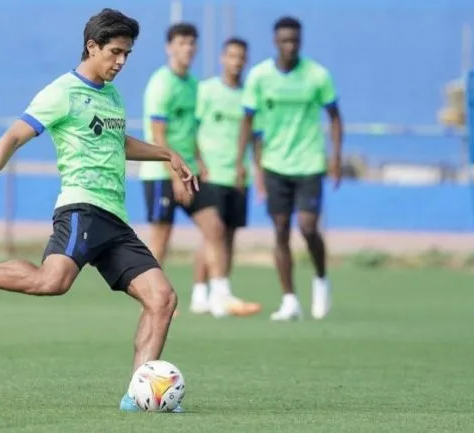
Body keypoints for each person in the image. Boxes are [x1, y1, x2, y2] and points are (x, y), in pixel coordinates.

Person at [0, 8, 196, 412]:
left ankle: (137, 395)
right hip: (81, 207)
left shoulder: (112, 95)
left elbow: (118, 143)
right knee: (53, 282)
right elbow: (13, 137)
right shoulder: (61, 92)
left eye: (127, 54)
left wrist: (166, 153)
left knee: (162, 298)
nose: (121, 61)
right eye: (115, 52)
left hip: (114, 218)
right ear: (92, 46)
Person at [138, 23, 253, 318]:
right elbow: (158, 134)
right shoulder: (161, 83)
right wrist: (173, 172)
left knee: (215, 227)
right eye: (181, 43)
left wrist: (198, 160)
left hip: (188, 170)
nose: (187, 48)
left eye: (191, 43)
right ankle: (154, 300)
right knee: (162, 236)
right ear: (169, 47)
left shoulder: (192, 84)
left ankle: (218, 295)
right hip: (161, 172)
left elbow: (192, 130)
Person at [237, 16, 343, 321]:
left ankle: (321, 278)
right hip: (274, 165)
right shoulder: (259, 77)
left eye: (295, 40)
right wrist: (244, 164)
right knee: (281, 230)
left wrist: (335, 157)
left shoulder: (317, 75)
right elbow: (247, 121)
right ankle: (289, 300)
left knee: (308, 227)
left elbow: (335, 117)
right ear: (275, 42)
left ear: (301, 41)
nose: (290, 46)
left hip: (309, 163)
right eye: (284, 40)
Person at [191, 37, 262, 317]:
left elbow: (256, 138)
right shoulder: (206, 90)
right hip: (211, 173)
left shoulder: (248, 95)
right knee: (211, 234)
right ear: (223, 58)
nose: (236, 61)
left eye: (241, 57)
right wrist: (198, 161)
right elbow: (191, 129)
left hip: (237, 176)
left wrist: (255, 171)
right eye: (231, 55)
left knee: (228, 237)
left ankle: (220, 293)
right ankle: (200, 293)